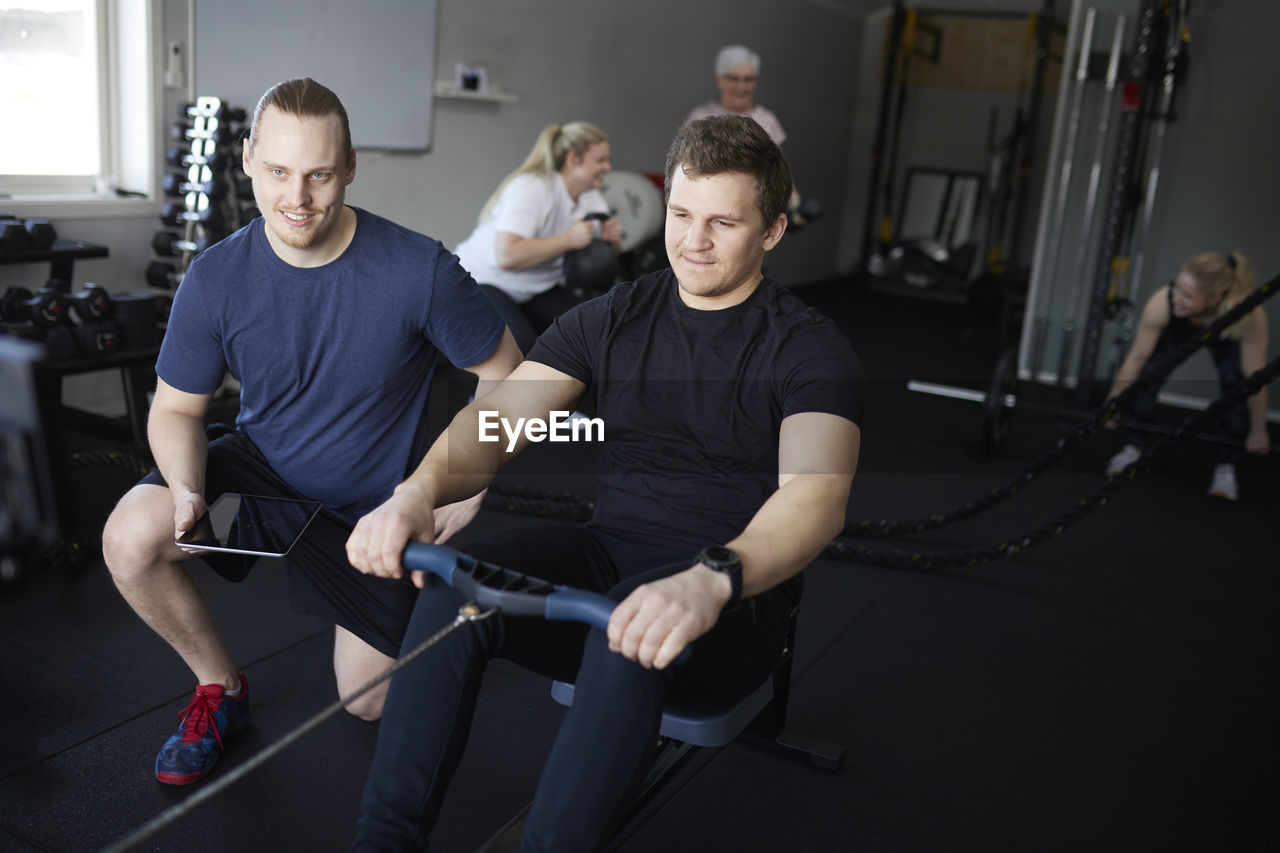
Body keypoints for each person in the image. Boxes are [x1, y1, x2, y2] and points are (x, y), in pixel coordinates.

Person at [345, 115, 864, 851]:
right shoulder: (617, 315)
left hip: (730, 600)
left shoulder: (810, 347)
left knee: (628, 629)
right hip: (609, 556)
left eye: (723, 222)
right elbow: (498, 422)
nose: (694, 240)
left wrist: (712, 579)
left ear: (773, 231)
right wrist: (415, 494)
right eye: (682, 214)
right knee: (452, 585)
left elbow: (818, 497)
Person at [100, 77, 522, 786]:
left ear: (350, 167)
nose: (297, 198)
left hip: (374, 508)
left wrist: (469, 479)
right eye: (278, 172)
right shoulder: (216, 277)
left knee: (367, 702)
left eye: (320, 174)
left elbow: (509, 373)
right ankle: (218, 687)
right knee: (129, 537)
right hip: (266, 478)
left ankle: (411, 605)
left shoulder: (418, 270)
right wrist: (182, 485)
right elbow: (175, 409)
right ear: (246, 160)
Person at [1103, 250, 1270, 499]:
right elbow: (1137, 357)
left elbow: (1255, 377)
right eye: (1177, 287)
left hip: (1226, 332)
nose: (1177, 297)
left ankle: (1226, 466)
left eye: (1188, 295)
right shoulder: (1163, 302)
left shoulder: (1247, 314)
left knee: (1236, 386)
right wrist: (1113, 400)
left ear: (1215, 298)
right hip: (1178, 329)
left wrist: (1259, 429)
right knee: (1148, 375)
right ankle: (1131, 448)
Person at [454, 122, 623, 355]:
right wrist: (568, 240)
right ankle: (479, 393)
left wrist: (612, 241)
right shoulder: (533, 188)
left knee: (592, 329)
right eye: (601, 160)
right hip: (481, 280)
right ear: (574, 160)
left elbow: (605, 256)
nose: (608, 167)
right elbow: (507, 256)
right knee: (520, 347)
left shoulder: (591, 197)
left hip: (535, 286)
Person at [685, 44, 803, 218]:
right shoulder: (700, 116)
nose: (741, 87)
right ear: (720, 80)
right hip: (707, 207)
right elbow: (687, 166)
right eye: (734, 78)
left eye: (748, 79)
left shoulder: (767, 120)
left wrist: (792, 199)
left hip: (751, 211)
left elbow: (778, 168)